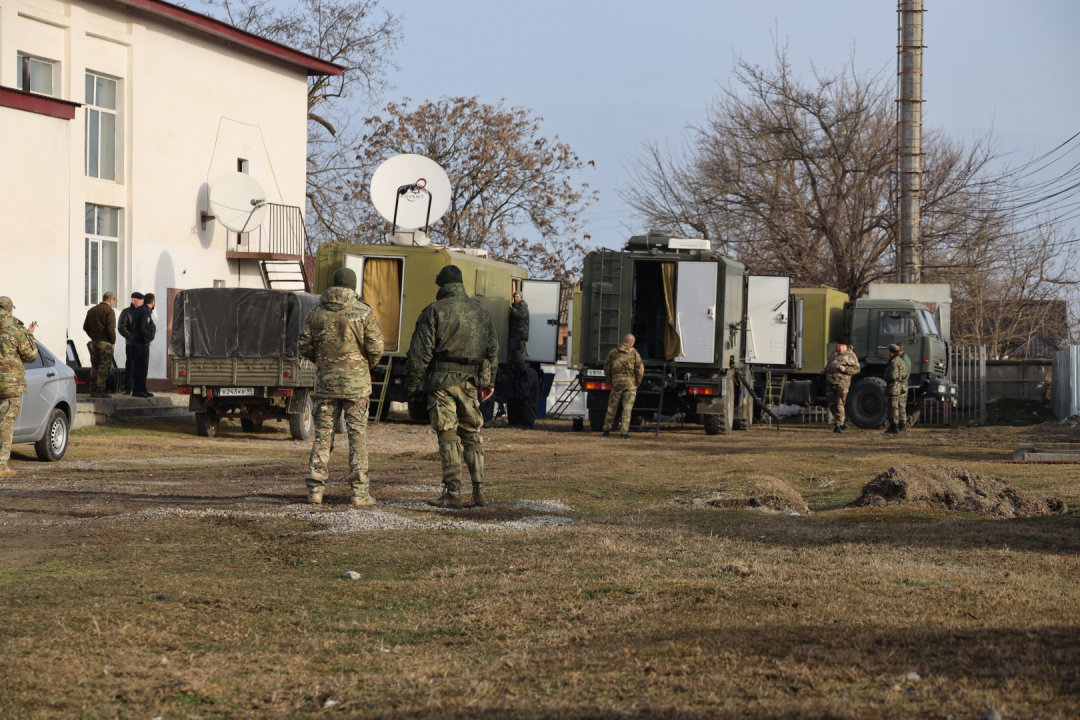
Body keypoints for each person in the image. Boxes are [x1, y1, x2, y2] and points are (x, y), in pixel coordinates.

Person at [405, 264, 499, 509]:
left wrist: (412, 385)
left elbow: (420, 354)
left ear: (441, 285)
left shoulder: (434, 311)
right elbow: (492, 351)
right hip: (470, 384)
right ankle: (479, 492)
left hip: (440, 383)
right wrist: (489, 382)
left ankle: (453, 493)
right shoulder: (481, 311)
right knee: (472, 434)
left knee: (448, 435)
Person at [298, 267, 384, 506]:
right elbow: (376, 348)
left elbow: (303, 346)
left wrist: (324, 362)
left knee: (322, 437)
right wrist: (364, 364)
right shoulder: (363, 312)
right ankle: (359, 493)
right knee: (357, 438)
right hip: (356, 386)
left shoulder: (316, 312)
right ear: (353, 287)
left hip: (326, 384)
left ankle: (315, 490)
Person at [0, 297, 39, 478]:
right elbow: (31, 356)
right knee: (5, 425)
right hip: (10, 386)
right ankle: (1, 466)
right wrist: (29, 335)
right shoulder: (16, 330)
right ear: (10, 311)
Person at [602, 333, 644, 439]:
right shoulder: (635, 353)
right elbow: (639, 370)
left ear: (624, 341)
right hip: (630, 385)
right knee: (627, 409)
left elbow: (606, 368)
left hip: (616, 384)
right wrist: (637, 383)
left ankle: (606, 430)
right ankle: (624, 432)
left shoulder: (613, 352)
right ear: (631, 343)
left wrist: (610, 381)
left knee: (612, 407)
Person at [82, 291, 117, 398]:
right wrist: (112, 340)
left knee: (95, 366)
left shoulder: (92, 310)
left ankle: (92, 390)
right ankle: (100, 390)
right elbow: (111, 329)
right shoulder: (109, 311)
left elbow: (85, 327)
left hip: (94, 342)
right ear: (111, 300)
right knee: (104, 367)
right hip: (105, 343)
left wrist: (93, 336)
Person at [822, 339, 859, 433]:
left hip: (842, 383)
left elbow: (857, 369)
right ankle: (841, 423)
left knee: (839, 403)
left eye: (836, 344)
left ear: (841, 345)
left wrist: (845, 369)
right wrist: (825, 370)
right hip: (830, 382)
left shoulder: (850, 355)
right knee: (831, 403)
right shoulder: (834, 354)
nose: (835, 346)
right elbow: (829, 365)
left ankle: (838, 425)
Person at [129, 293, 156, 398]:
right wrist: (146, 341)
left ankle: (142, 388)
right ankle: (138, 389)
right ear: (153, 302)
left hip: (136, 341)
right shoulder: (146, 312)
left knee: (140, 366)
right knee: (141, 367)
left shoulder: (138, 309)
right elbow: (143, 327)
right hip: (141, 342)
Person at [117, 292, 144, 395]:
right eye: (140, 299)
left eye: (143, 300)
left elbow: (150, 326)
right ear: (134, 300)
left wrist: (147, 338)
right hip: (131, 344)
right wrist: (132, 337)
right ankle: (128, 388)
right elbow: (121, 327)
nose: (142, 301)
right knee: (131, 365)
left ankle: (140, 387)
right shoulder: (126, 312)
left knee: (142, 366)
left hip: (142, 344)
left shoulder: (144, 312)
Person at [884, 343, 909, 435]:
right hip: (901, 386)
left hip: (894, 387)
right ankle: (903, 426)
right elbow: (905, 374)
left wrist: (885, 377)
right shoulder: (902, 361)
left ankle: (894, 427)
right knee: (901, 407)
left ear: (891, 352)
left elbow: (893, 375)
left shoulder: (893, 362)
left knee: (893, 408)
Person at [508, 291, 529, 372]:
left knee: (517, 355)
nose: (515, 298)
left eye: (517, 297)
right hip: (515, 335)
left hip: (521, 335)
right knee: (514, 356)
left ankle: (524, 371)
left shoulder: (523, 306)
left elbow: (521, 316)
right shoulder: (515, 306)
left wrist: (512, 309)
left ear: (521, 297)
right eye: (514, 297)